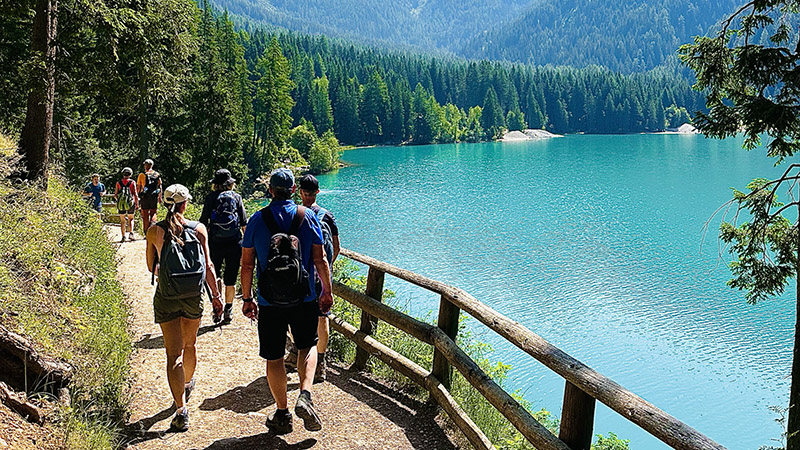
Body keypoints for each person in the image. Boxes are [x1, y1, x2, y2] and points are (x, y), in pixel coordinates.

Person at [241, 168, 333, 435]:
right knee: (307, 346)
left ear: (270, 191)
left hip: (269, 301)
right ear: (294, 190)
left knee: (274, 357)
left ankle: (282, 414)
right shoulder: (308, 217)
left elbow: (247, 265)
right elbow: (321, 259)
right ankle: (304, 394)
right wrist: (326, 291)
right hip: (304, 297)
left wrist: (247, 298)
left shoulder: (258, 220)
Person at [145, 184, 223, 432]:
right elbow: (209, 267)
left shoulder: (154, 232)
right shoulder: (199, 229)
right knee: (190, 345)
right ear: (185, 204)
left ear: (162, 202)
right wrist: (216, 298)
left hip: (167, 296)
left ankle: (181, 410)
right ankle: (187, 384)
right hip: (193, 297)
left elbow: (151, 268)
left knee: (172, 354)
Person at [297, 174, 339, 383]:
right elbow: (336, 247)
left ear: (300, 192)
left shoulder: (296, 214)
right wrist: (326, 270)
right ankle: (321, 363)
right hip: (322, 277)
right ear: (318, 192)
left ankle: (300, 355)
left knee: (297, 316)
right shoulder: (327, 216)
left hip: (301, 277)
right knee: (322, 318)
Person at [200, 169, 247, 323]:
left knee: (216, 274)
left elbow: (203, 223)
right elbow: (244, 224)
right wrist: (248, 248)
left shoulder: (210, 198)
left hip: (215, 242)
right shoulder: (237, 197)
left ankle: (216, 307)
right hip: (235, 243)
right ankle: (228, 309)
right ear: (230, 184)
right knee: (231, 278)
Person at [137, 159, 162, 232]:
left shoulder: (142, 175)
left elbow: (138, 186)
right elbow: (160, 186)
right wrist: (160, 196)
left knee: (145, 215)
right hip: (154, 196)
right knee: (153, 213)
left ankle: (146, 231)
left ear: (145, 166)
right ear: (152, 165)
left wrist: (137, 196)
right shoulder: (157, 174)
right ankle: (153, 229)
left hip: (144, 197)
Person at [115, 167, 138, 242]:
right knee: (131, 218)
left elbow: (115, 195)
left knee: (122, 220)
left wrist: (120, 201)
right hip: (130, 203)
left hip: (121, 204)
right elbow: (135, 194)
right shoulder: (132, 182)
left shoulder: (118, 182)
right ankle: (131, 233)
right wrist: (136, 203)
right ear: (130, 174)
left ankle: (123, 236)